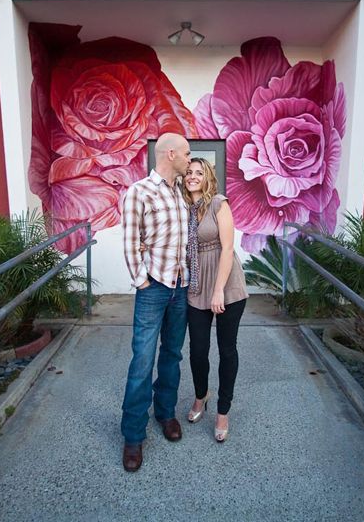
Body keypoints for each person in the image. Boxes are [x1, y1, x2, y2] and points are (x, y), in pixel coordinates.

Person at [120, 132, 192, 472]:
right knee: (142, 360)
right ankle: (133, 436)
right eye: (188, 154)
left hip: (180, 287)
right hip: (153, 289)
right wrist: (142, 281)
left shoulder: (180, 193)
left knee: (173, 355)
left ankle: (165, 414)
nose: (190, 160)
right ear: (172, 154)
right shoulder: (138, 192)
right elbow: (130, 241)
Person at [182, 158, 248, 443]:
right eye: (189, 172)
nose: (193, 176)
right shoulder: (182, 209)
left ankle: (223, 411)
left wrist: (219, 290)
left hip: (226, 285)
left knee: (227, 350)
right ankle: (201, 395)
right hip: (197, 286)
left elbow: (228, 247)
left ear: (208, 178)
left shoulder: (219, 204)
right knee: (197, 350)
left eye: (199, 173)